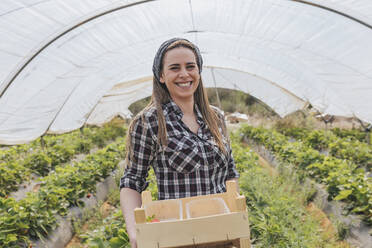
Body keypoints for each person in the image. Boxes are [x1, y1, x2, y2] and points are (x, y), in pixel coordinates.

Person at [119, 37, 239, 248]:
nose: (184, 74)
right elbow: (132, 180)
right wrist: (135, 232)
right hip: (178, 237)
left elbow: (230, 173)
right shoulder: (150, 122)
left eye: (190, 66)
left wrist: (236, 217)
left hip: (223, 235)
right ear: (162, 76)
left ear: (199, 72)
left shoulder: (216, 117)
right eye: (175, 68)